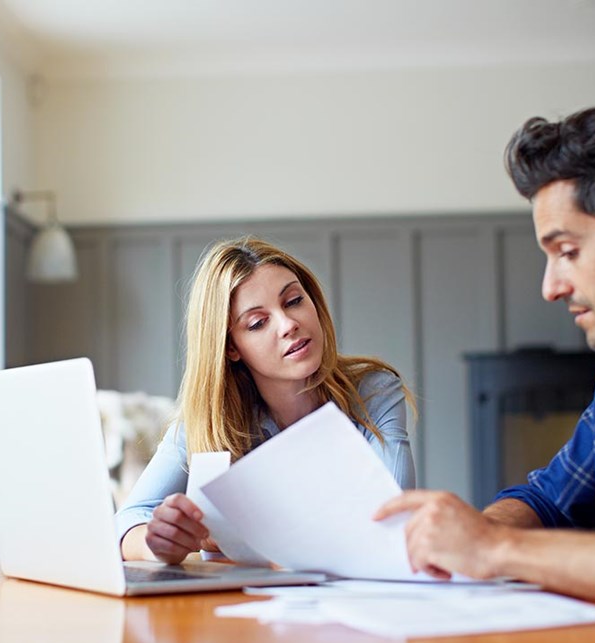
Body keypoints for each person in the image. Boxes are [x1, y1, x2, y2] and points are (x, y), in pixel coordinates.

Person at [376, 99, 595, 605]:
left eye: (567, 252)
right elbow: (549, 498)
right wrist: (467, 536)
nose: (551, 287)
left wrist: (498, 547)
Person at [117, 236, 416, 564]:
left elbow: (393, 514)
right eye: (258, 323)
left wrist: (244, 536)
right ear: (231, 348)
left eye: (293, 301)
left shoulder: (374, 391)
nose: (289, 324)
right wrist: (158, 542)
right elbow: (127, 522)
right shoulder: (208, 419)